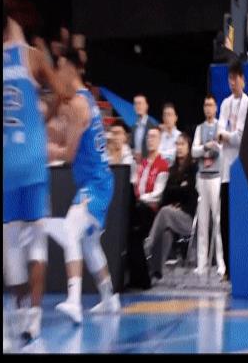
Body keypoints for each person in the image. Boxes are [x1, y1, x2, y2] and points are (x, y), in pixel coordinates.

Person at [3, 8, 69, 344]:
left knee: (11, 248)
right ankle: (34, 318)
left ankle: (17, 312)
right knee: (36, 244)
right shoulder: (31, 56)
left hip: (7, 164)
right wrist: (43, 118)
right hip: (32, 160)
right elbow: (60, 92)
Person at [45, 48, 120, 324]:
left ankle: (74, 301)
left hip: (95, 184)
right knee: (89, 244)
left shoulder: (78, 103)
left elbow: (69, 153)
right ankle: (109, 299)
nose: (57, 74)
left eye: (60, 67)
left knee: (70, 229)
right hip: (99, 181)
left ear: (71, 68)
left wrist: (47, 150)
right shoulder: (85, 99)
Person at [144, 133, 198, 282]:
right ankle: (156, 271)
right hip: (172, 215)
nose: (179, 147)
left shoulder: (193, 168)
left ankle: (148, 245)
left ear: (189, 147)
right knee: (166, 230)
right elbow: (167, 194)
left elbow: (191, 193)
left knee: (165, 212)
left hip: (188, 217)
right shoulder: (172, 169)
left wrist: (178, 194)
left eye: (182, 144)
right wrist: (180, 189)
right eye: (177, 144)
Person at [217, 60, 248, 279]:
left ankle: (241, 266)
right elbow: (219, 131)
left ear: (242, 80)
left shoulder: (247, 103)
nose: (232, 82)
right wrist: (226, 136)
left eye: (235, 78)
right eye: (229, 78)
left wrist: (225, 136)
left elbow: (240, 137)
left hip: (241, 171)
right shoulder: (225, 103)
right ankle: (228, 269)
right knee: (225, 223)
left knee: (240, 223)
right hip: (225, 173)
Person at [128, 128, 169, 288]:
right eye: (148, 137)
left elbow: (158, 194)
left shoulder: (162, 165)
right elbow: (134, 184)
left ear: (159, 140)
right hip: (138, 207)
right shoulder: (142, 163)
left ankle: (142, 279)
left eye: (153, 137)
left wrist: (140, 199)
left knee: (134, 229)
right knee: (129, 232)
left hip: (151, 211)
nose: (150, 140)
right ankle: (136, 277)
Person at [192, 95, 226, 277]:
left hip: (215, 178)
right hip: (202, 178)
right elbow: (194, 151)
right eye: (206, 105)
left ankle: (221, 263)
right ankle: (202, 263)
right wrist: (206, 147)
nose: (208, 108)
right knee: (203, 223)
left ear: (216, 107)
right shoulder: (200, 128)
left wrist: (207, 148)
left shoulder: (220, 126)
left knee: (217, 221)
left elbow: (219, 148)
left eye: (211, 105)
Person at [130, 94, 157, 164]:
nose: (138, 106)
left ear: (146, 106)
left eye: (140, 103)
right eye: (135, 104)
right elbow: (132, 146)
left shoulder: (153, 126)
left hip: (149, 163)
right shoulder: (133, 127)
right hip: (136, 164)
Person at [158, 102, 182, 166]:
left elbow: (175, 156)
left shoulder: (180, 136)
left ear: (176, 118)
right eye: (164, 115)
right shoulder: (159, 136)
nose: (167, 118)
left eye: (169, 115)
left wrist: (161, 155)